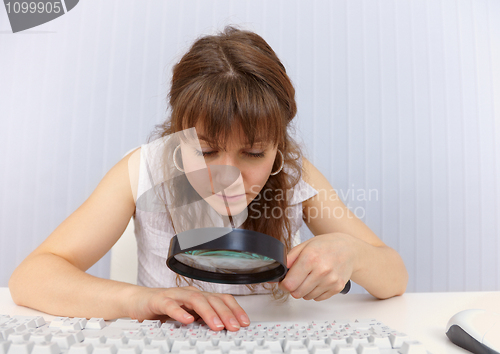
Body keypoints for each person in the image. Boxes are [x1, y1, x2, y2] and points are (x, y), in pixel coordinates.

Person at [9, 26, 408, 332]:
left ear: (276, 148)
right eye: (206, 151)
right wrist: (140, 300)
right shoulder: (144, 170)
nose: (228, 177)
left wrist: (353, 254)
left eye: (253, 153)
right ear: (178, 136)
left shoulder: (293, 175)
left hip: (272, 346)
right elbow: (32, 277)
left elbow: (394, 276)